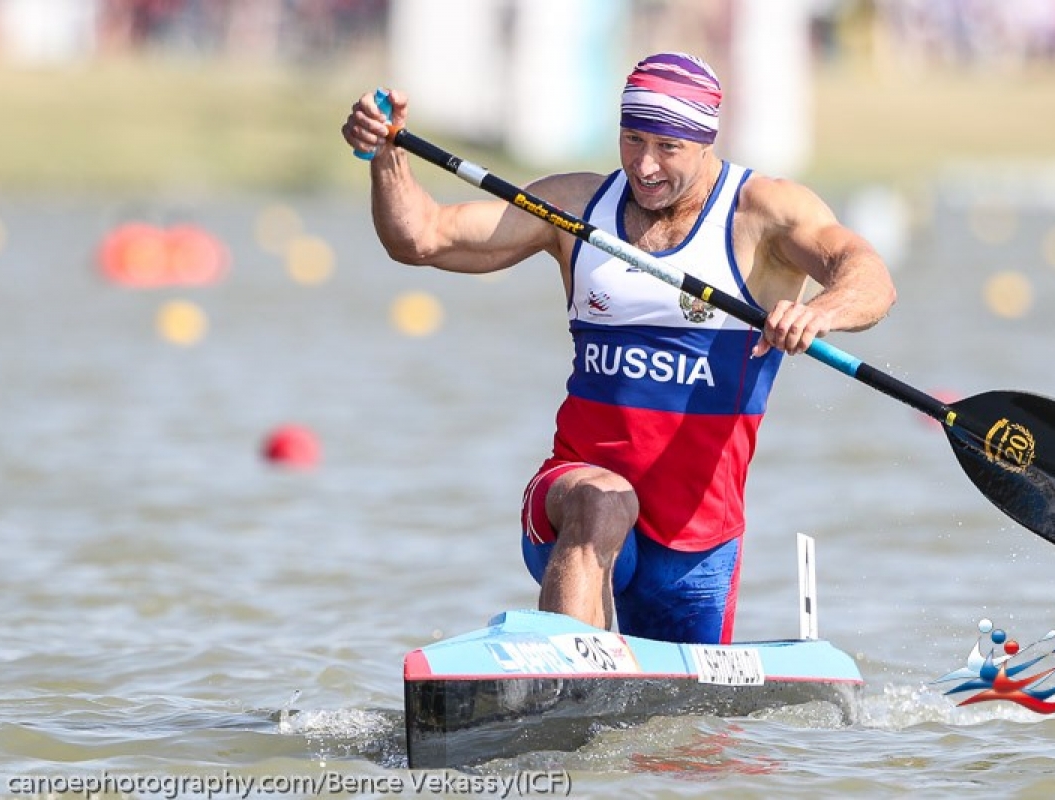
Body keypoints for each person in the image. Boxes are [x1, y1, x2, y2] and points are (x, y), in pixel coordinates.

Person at [341, 52, 896, 645]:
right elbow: (420, 238)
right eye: (632, 138)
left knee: (687, 739)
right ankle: (559, 679)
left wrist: (819, 312)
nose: (645, 165)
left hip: (698, 535)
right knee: (605, 501)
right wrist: (386, 153)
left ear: (705, 141)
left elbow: (867, 274)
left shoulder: (765, 214)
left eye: (667, 147)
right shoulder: (574, 206)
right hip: (575, 497)